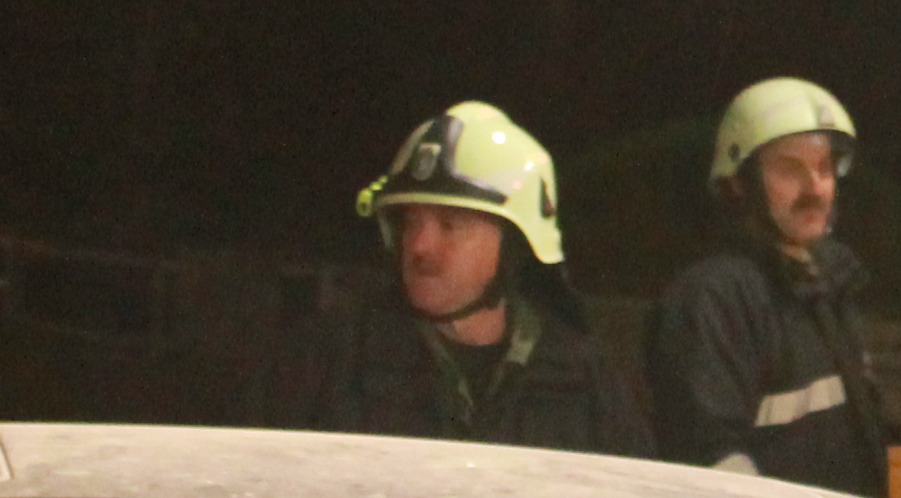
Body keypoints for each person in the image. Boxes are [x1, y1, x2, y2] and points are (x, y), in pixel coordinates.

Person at [278, 101, 653, 455]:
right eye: (410, 221)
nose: (419, 246)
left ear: (515, 244)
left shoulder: (584, 384)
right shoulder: (328, 360)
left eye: (450, 224)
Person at [649, 77, 888, 498]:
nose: (815, 188)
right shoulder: (714, 297)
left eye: (824, 167)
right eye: (790, 169)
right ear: (738, 183)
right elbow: (711, 457)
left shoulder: (828, 286)